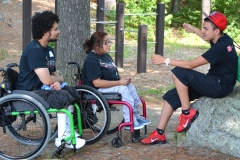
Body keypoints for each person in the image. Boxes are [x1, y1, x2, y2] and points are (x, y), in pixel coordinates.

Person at [141, 11, 238, 145]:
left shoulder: (220, 47)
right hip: (214, 82)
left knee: (179, 72)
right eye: (202, 28)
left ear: (216, 31)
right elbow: (205, 37)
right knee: (172, 96)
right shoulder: (222, 38)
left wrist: (165, 60)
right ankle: (159, 133)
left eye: (205, 28)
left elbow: (191, 65)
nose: (203, 31)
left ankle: (187, 113)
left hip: (219, 86)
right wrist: (193, 29)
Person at [15, 11, 85, 149]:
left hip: (43, 88)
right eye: (55, 29)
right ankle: (63, 137)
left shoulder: (49, 50)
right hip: (30, 92)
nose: (58, 31)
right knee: (62, 96)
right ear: (46, 32)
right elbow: (47, 79)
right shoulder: (34, 51)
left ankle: (69, 130)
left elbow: (52, 74)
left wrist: (56, 82)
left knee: (71, 91)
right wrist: (56, 80)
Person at [82, 31, 151, 130]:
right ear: (97, 45)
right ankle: (129, 122)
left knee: (131, 87)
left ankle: (135, 117)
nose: (109, 45)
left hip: (109, 86)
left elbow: (112, 75)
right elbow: (97, 83)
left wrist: (123, 80)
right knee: (124, 90)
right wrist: (119, 83)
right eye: (105, 43)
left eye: (108, 42)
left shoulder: (106, 56)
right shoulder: (91, 59)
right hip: (97, 90)